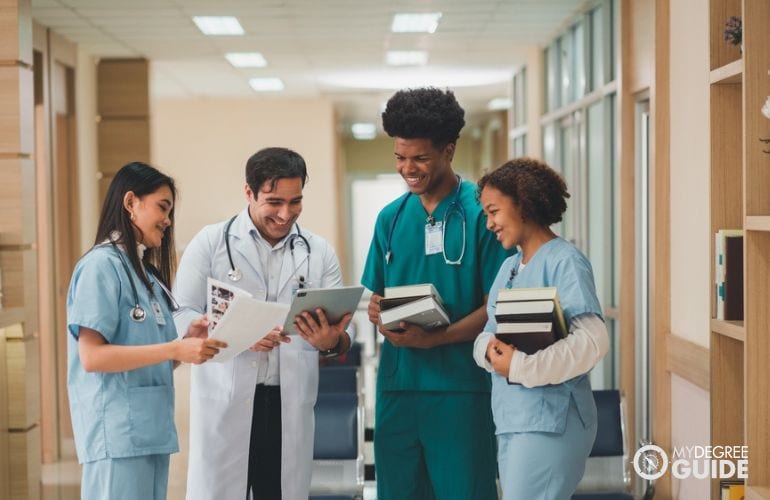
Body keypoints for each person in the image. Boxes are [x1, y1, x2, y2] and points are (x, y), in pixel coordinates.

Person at [173, 147, 353, 500]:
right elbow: (180, 315)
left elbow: (344, 331)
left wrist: (330, 340)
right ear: (249, 193)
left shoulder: (319, 252)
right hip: (226, 399)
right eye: (274, 202)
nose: (286, 214)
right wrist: (236, 335)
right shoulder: (210, 244)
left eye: (295, 201)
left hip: (288, 401)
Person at [361, 87, 512, 500]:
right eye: (400, 157)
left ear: (448, 150)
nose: (408, 168)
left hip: (460, 389)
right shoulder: (390, 219)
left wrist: (438, 337)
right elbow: (375, 295)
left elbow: (498, 307)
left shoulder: (485, 214)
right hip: (398, 388)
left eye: (420, 158)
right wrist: (376, 310)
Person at [66, 162, 226, 500]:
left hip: (150, 433)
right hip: (117, 436)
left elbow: (154, 360)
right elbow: (92, 357)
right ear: (130, 203)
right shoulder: (100, 268)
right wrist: (172, 350)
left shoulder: (146, 276)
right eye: (162, 207)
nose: (168, 220)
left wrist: (185, 345)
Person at [474, 157, 610, 499]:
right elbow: (489, 332)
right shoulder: (509, 268)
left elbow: (593, 341)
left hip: (552, 422)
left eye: (494, 212)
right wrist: (489, 351)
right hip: (514, 418)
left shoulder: (566, 261)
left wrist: (520, 366)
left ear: (522, 204)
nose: (489, 223)